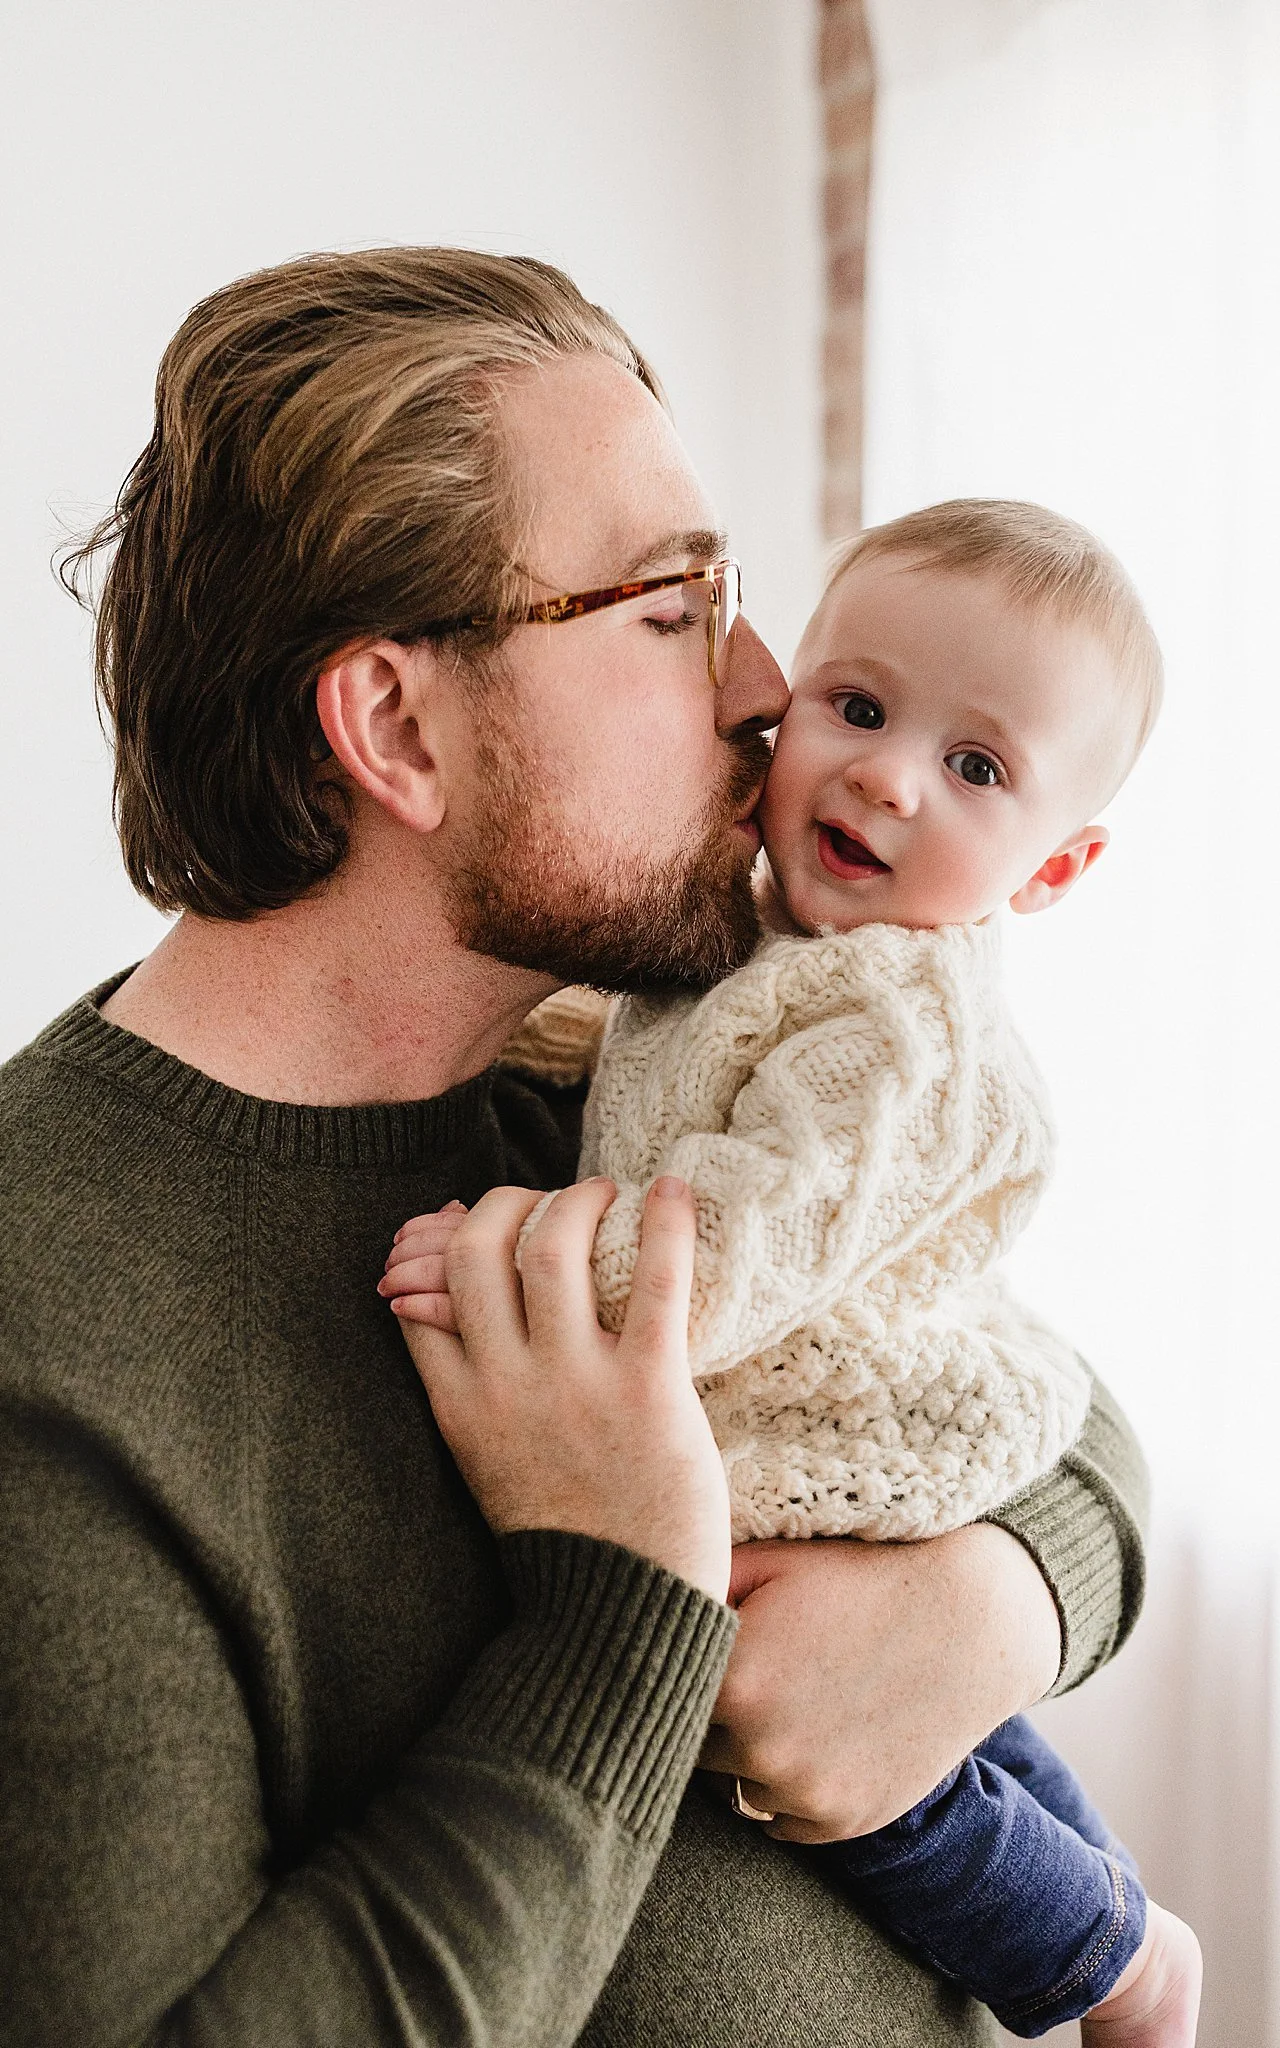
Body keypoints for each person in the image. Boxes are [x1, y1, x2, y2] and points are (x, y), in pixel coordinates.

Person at [0, 249, 1148, 2048]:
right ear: (397, 725)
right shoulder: (42, 1333)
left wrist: (989, 1603)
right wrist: (623, 1606)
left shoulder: (603, 1084)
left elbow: (1047, 1405)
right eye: (670, 606)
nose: (770, 687)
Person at [385, 500, 1201, 2044]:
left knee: (836, 1747)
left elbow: (742, 1235)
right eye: (858, 705)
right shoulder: (751, 936)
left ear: (1053, 868)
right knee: (948, 1720)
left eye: (974, 769)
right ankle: (1114, 1900)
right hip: (793, 1425)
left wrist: (543, 1269)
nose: (886, 775)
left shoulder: (903, 1030)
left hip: (850, 1439)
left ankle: (1100, 1956)